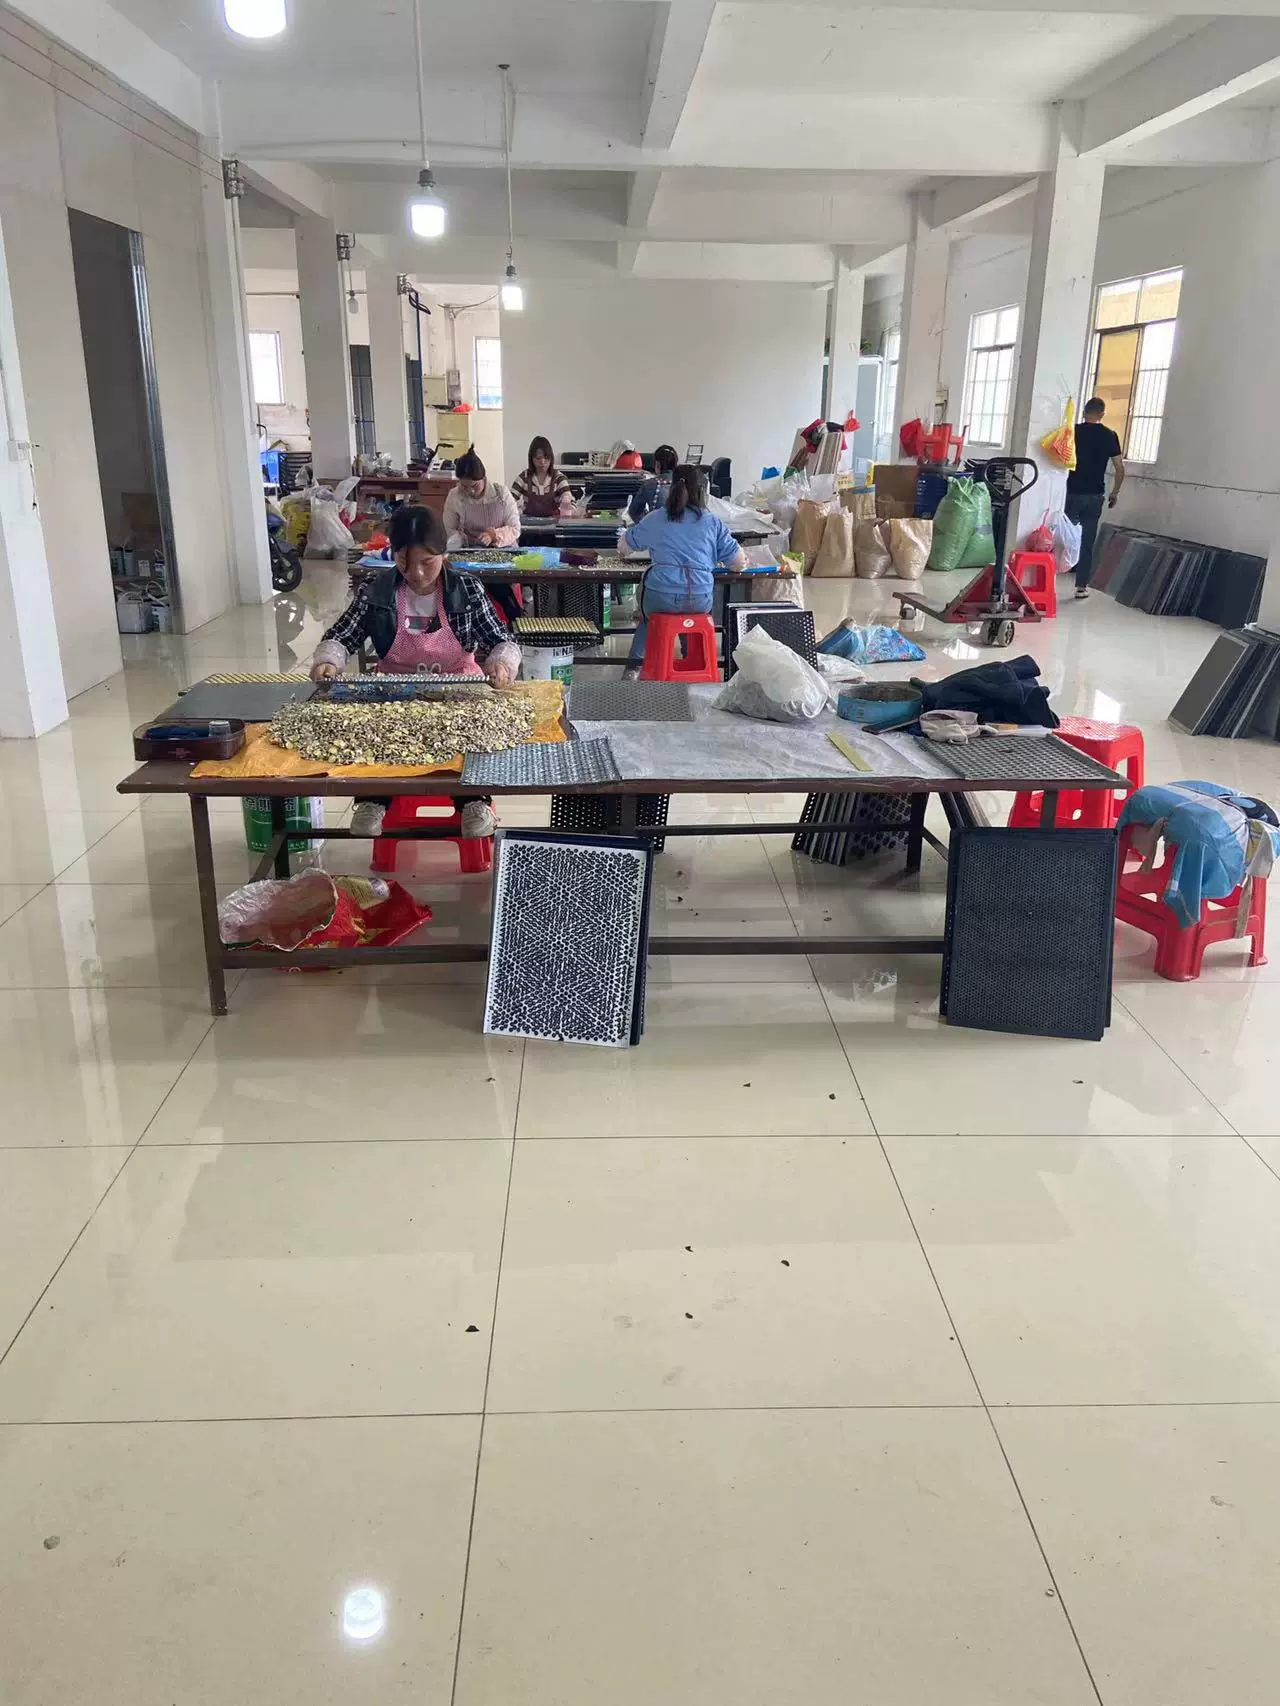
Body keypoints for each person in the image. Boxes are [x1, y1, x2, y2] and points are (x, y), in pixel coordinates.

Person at [309, 504, 519, 839]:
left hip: (458, 690)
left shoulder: (466, 590)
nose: (417, 573)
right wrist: (329, 660)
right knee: (377, 734)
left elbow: (501, 639)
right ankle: (373, 799)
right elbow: (343, 635)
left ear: (443, 554)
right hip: (394, 692)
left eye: (427, 562)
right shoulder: (376, 590)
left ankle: (473, 800)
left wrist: (502, 663)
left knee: (467, 735)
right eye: (405, 562)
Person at [619, 463, 745, 676]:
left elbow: (624, 547)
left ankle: (634, 668)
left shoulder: (657, 517)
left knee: (647, 619)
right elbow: (738, 562)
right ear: (702, 491)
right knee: (691, 619)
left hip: (661, 595)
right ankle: (693, 665)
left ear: (671, 487)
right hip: (699, 597)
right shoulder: (712, 522)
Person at [1066, 397, 1125, 601]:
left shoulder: (1072, 432)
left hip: (1070, 493)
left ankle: (1052, 577)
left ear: (1084, 412)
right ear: (1102, 414)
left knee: (1063, 537)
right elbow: (1120, 468)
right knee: (1087, 541)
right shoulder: (1109, 435)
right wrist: (1115, 492)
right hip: (1094, 495)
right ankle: (1081, 587)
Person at [442, 449, 521, 549]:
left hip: (503, 549)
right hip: (469, 549)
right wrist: (462, 539)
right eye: (464, 486)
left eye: (475, 486)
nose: (470, 491)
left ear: (484, 478)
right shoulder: (455, 496)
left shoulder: (501, 493)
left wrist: (493, 536)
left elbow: (514, 528)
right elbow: (448, 529)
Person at [510, 436, 575, 519]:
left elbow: (572, 503)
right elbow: (509, 503)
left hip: (554, 524)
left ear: (551, 458)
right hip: (528, 524)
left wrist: (566, 508)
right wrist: (515, 512)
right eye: (538, 458)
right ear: (531, 459)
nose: (542, 462)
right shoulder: (523, 478)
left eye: (546, 458)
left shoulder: (559, 478)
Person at [625, 444, 679, 523]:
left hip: (656, 527)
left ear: (657, 464)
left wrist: (647, 518)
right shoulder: (684, 482)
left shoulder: (649, 484)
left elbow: (634, 512)